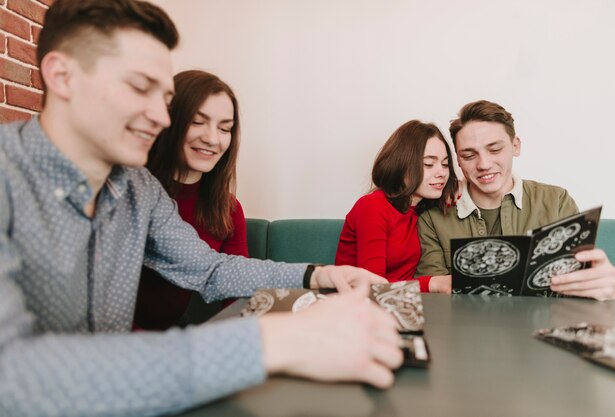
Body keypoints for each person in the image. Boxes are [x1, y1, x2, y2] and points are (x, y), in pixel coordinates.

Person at [0, 1, 403, 416]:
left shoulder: (138, 188)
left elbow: (209, 269)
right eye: (140, 88)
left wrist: (318, 273)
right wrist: (277, 341)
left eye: (166, 99)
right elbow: (9, 373)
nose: (160, 117)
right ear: (61, 76)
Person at [417, 100, 615, 300]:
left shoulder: (556, 201)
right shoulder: (432, 216)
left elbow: (582, 284)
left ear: (515, 146)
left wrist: (611, 292)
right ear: (458, 160)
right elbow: (434, 298)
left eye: (495, 149)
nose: (484, 164)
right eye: (469, 155)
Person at [134, 70, 247, 330]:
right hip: (115, 341)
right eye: (197, 122)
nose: (212, 139)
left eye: (225, 128)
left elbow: (235, 292)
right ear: (168, 120)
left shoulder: (228, 209)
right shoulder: (132, 190)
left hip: (173, 335)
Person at [335, 120, 458, 293]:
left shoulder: (421, 209)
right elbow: (372, 287)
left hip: (400, 303)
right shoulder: (373, 206)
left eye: (445, 164)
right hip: (358, 305)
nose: (442, 173)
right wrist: (433, 283)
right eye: (429, 164)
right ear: (402, 165)